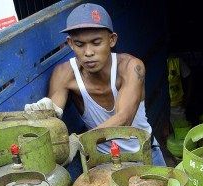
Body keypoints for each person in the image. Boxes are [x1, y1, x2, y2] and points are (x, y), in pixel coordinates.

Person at [24, 3, 165, 166]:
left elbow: (123, 120)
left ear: (112, 40)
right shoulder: (64, 74)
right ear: (70, 43)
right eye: (79, 44)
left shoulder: (131, 67)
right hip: (102, 162)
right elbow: (54, 107)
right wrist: (46, 110)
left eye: (96, 42)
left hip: (145, 154)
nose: (88, 52)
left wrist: (78, 141)